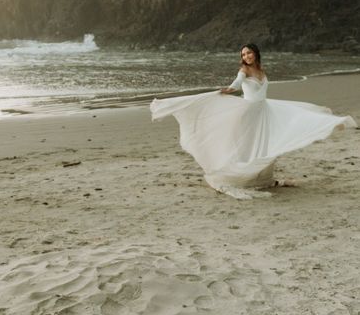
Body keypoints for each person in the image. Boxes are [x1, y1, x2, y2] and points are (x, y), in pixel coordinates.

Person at [150, 43, 357, 199]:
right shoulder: (244, 71)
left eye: (248, 52)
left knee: (283, 129)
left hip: (264, 110)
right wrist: (222, 92)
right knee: (248, 146)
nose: (246, 56)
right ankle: (244, 177)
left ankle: (265, 179)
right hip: (248, 112)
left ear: (255, 54)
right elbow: (235, 85)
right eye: (243, 54)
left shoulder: (262, 71)